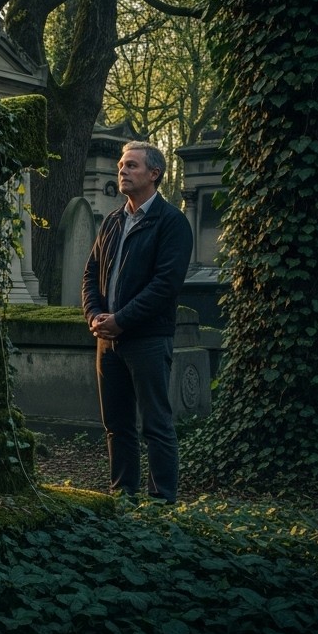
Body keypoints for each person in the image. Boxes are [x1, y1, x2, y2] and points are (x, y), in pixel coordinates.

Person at [81, 140, 193, 503]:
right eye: (121, 165)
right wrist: (95, 316)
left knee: (156, 425)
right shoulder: (113, 220)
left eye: (131, 165)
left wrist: (122, 320)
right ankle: (123, 497)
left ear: (154, 174)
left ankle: (162, 503)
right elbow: (91, 273)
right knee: (117, 426)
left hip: (146, 338)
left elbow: (165, 284)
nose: (122, 171)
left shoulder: (171, 222)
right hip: (107, 339)